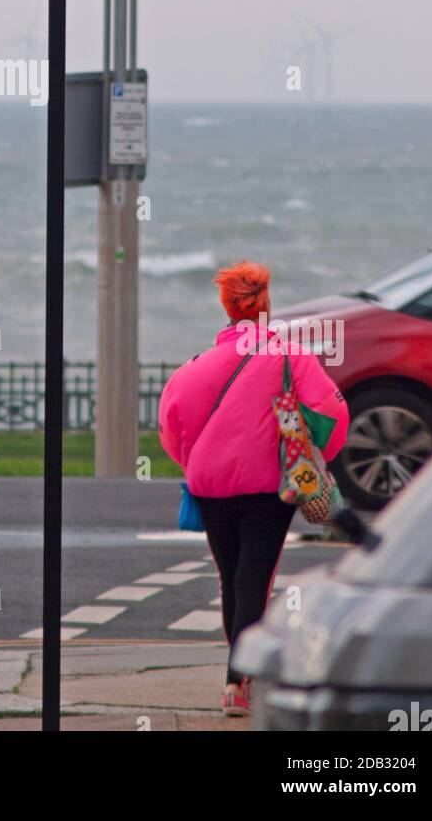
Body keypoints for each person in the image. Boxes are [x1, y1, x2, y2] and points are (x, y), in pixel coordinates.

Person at [158, 260, 348, 717]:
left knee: (231, 579)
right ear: (267, 305)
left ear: (227, 305)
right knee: (254, 580)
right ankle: (238, 683)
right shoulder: (290, 356)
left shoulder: (197, 367)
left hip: (210, 485)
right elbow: (332, 414)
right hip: (269, 485)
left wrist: (197, 461)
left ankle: (236, 681)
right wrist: (322, 448)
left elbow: (171, 423)